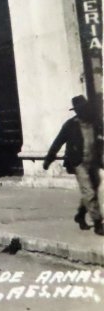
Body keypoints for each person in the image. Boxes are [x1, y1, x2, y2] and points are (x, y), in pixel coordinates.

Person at [44, 95, 103, 236]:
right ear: (76, 111)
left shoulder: (94, 122)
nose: (82, 112)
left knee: (91, 190)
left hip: (93, 162)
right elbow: (58, 142)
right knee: (89, 192)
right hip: (78, 163)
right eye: (79, 110)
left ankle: (80, 215)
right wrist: (48, 159)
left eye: (84, 108)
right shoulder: (70, 125)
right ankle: (98, 224)